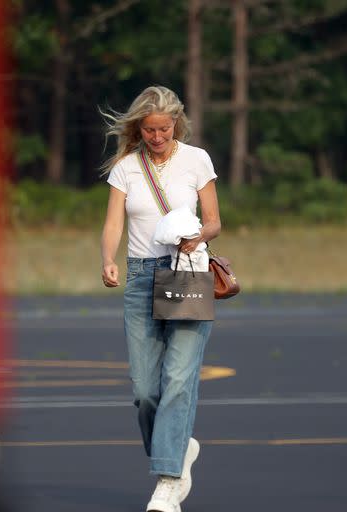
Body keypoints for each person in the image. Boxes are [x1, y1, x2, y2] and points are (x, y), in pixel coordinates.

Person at [100, 85, 221, 511]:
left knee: (178, 380)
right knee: (145, 390)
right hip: (140, 277)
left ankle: (168, 482)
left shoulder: (196, 160)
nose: (156, 137)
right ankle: (179, 447)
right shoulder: (127, 168)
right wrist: (107, 259)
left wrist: (196, 237)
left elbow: (214, 222)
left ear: (176, 124)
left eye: (164, 129)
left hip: (186, 272)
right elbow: (113, 222)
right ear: (139, 128)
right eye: (149, 130)